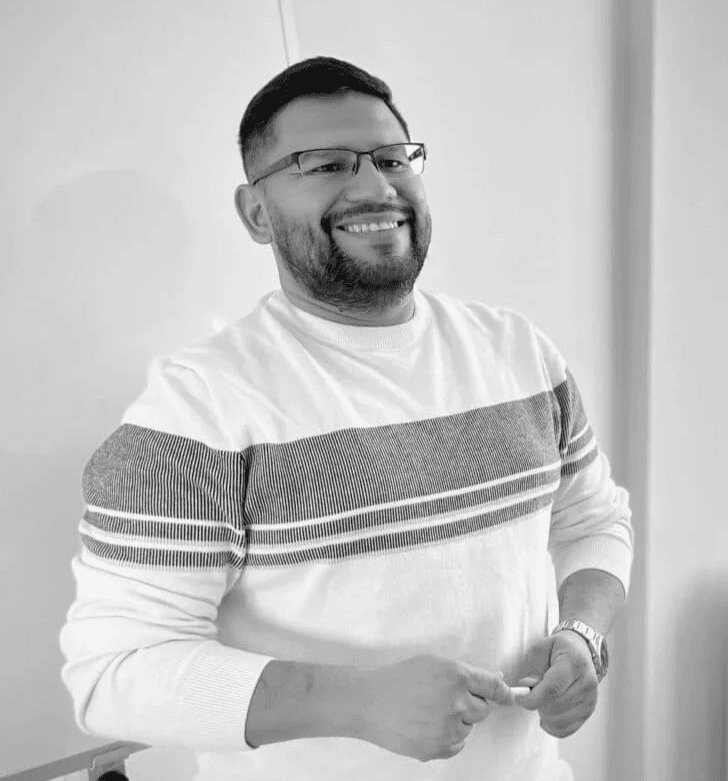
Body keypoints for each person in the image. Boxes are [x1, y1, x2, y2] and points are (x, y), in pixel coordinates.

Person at [60, 56, 634, 781]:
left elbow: (593, 522)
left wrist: (582, 635)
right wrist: (356, 700)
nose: (375, 185)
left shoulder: (520, 353)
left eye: (394, 157)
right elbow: (114, 674)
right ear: (256, 212)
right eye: (325, 164)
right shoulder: (196, 411)